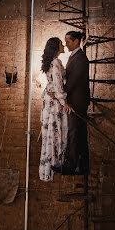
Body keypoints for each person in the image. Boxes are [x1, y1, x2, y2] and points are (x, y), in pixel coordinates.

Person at [39, 37, 68, 182]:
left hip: (48, 100)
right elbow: (57, 86)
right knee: (56, 131)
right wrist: (64, 102)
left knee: (49, 134)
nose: (64, 45)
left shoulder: (51, 62)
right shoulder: (55, 62)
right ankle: (57, 163)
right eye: (61, 44)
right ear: (56, 47)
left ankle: (49, 168)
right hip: (54, 101)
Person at [61, 30, 90, 175]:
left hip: (77, 102)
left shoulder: (81, 59)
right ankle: (83, 166)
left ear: (77, 41)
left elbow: (72, 81)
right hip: (76, 100)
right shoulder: (74, 56)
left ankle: (71, 166)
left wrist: (61, 94)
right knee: (79, 133)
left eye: (68, 41)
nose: (65, 44)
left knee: (74, 133)